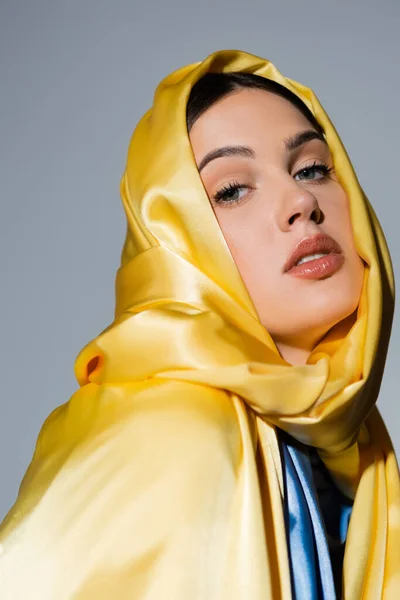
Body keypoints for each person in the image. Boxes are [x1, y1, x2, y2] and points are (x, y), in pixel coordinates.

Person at [0, 49, 398, 599]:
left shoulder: (354, 444)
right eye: (233, 190)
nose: (301, 201)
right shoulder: (163, 436)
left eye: (312, 169)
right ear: (175, 248)